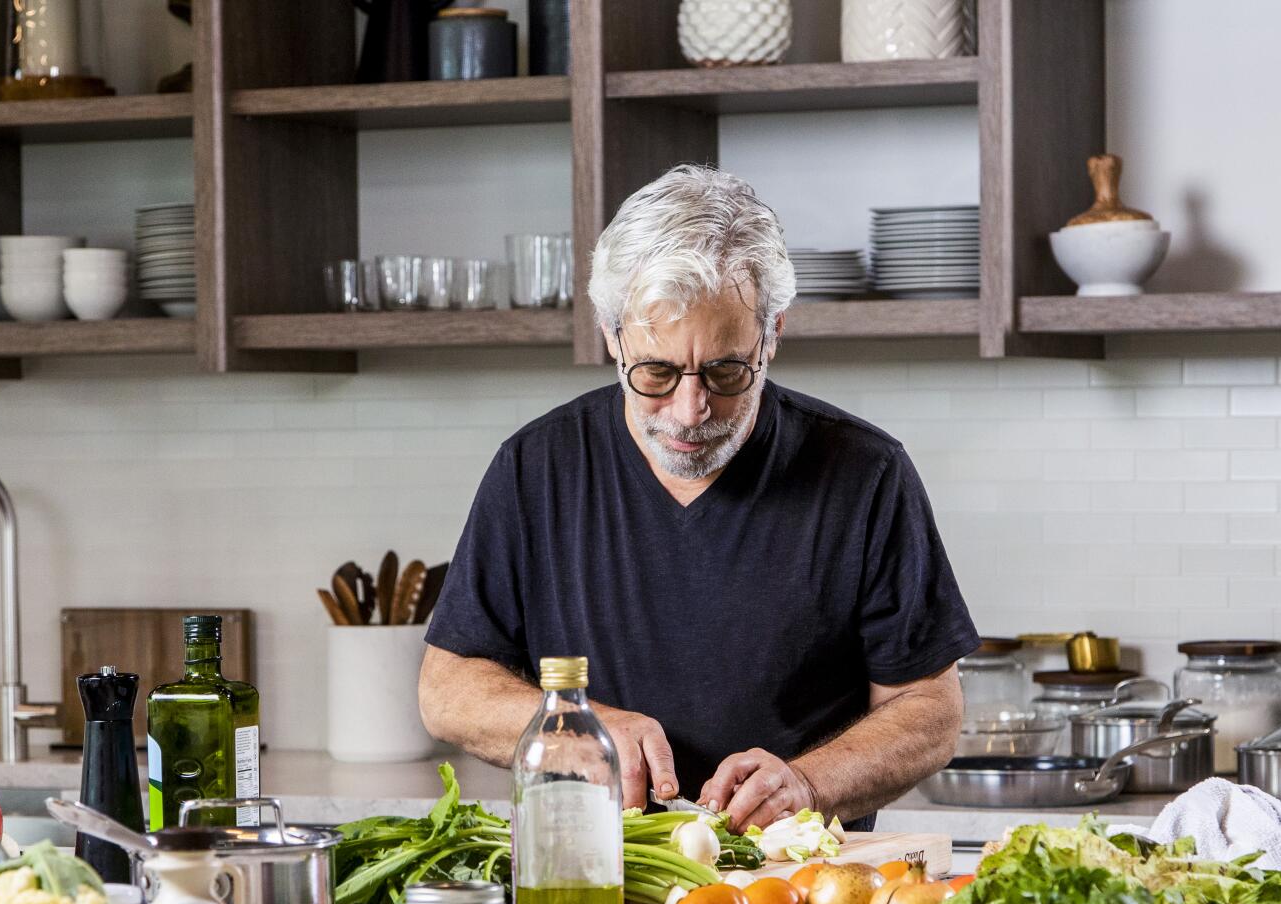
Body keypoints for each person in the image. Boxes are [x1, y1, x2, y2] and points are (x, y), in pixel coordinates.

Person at [419, 165, 978, 831]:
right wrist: (573, 726)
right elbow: (446, 689)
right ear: (611, 335)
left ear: (771, 337)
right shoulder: (535, 469)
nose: (689, 410)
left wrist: (806, 783)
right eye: (654, 372)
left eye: (725, 371)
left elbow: (930, 708)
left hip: (792, 895)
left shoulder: (865, 474)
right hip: (591, 880)